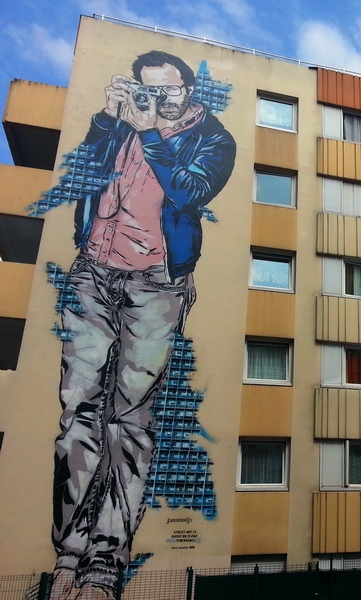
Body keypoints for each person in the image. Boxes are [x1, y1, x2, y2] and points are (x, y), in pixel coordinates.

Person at [48, 50, 236, 600]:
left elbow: (189, 191)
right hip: (92, 273)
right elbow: (85, 169)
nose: (156, 100)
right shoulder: (124, 118)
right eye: (145, 89)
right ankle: (68, 553)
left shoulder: (215, 139)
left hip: (155, 286)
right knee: (77, 413)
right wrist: (108, 119)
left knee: (129, 422)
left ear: (189, 92)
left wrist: (150, 133)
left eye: (168, 91)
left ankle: (106, 561)